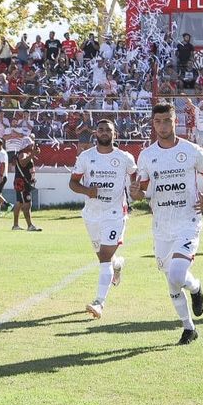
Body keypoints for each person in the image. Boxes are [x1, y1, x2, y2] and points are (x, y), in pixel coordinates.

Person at [131, 104, 203, 345]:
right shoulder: (146, 155)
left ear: (175, 122)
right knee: (172, 280)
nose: (162, 126)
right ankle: (189, 328)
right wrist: (135, 193)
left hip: (188, 220)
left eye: (167, 120)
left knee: (177, 273)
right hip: (161, 226)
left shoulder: (191, 150)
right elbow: (141, 191)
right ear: (153, 123)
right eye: (158, 121)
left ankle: (196, 288)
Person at [69, 120, 136, 319]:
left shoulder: (124, 158)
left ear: (115, 134)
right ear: (95, 133)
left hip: (115, 214)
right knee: (103, 258)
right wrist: (87, 190)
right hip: (92, 214)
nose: (105, 132)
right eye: (101, 129)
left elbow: (136, 176)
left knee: (104, 257)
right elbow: (73, 183)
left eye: (109, 130)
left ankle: (99, 302)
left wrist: (136, 189)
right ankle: (118, 265)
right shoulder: (86, 157)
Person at [12, 140, 42, 232]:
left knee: (20, 202)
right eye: (31, 145)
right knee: (27, 203)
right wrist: (33, 154)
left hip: (22, 182)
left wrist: (32, 178)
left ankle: (15, 225)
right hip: (22, 183)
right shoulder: (23, 154)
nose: (33, 146)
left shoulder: (25, 154)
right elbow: (22, 163)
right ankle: (30, 225)